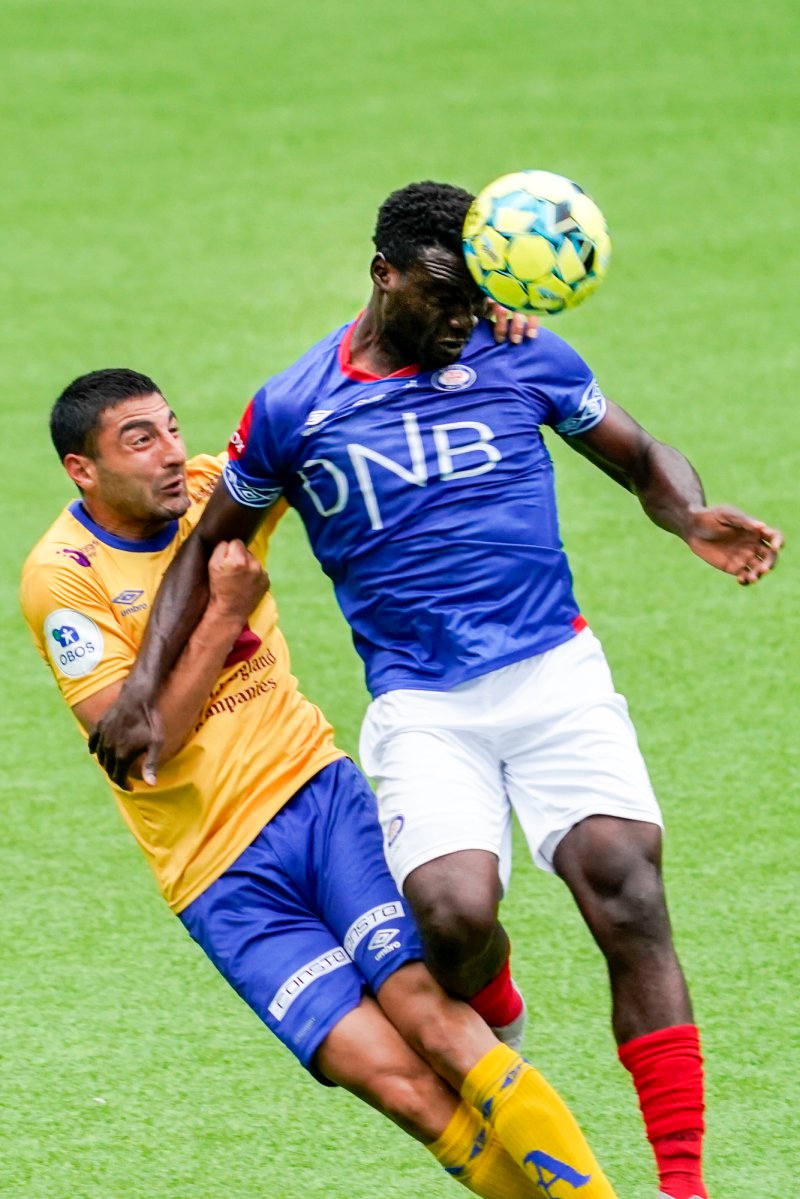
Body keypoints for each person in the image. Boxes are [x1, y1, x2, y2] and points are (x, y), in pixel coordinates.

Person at [88, 185, 784, 1199]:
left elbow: (636, 452)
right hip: (424, 705)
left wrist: (684, 514)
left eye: (479, 297)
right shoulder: (292, 408)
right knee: (452, 913)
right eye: (447, 294)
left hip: (552, 670)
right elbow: (208, 549)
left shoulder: (520, 351)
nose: (465, 315)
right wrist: (145, 686)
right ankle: (493, 990)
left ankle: (683, 1185)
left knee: (626, 885)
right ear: (385, 274)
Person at [21, 367, 625, 1199]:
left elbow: (345, 385)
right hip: (219, 877)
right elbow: (141, 749)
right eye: (139, 439)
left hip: (318, 798)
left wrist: (484, 318)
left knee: (432, 1022)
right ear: (80, 469)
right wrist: (227, 611)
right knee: (403, 1089)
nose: (170, 453)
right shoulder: (63, 576)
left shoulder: (214, 492)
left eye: (169, 427)